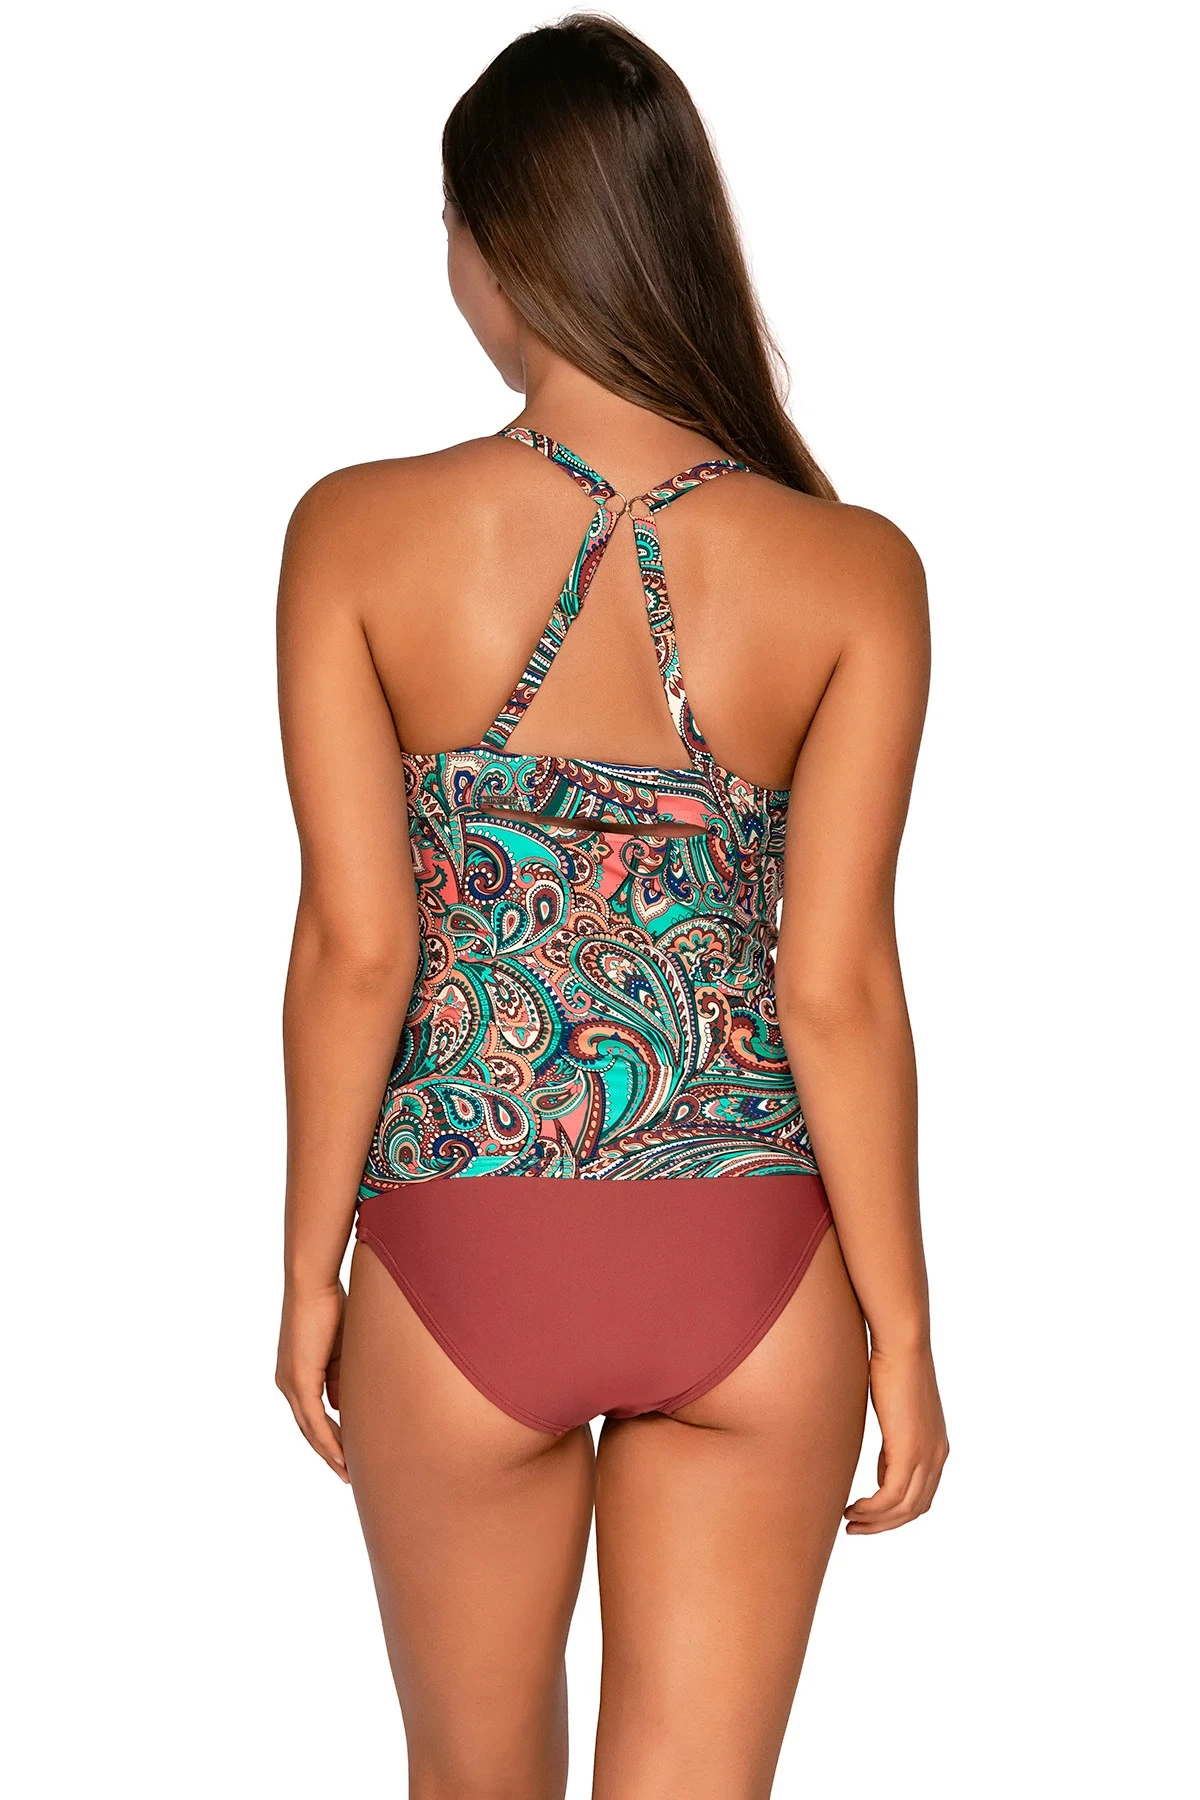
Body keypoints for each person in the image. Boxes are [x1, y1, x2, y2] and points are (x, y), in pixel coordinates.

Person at [274, 15, 948, 1797]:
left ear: (497, 245)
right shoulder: (856, 570)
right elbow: (837, 990)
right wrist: (902, 1329)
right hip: (755, 1260)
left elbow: (356, 951)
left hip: (458, 1244)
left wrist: (306, 1268)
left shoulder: (353, 534)